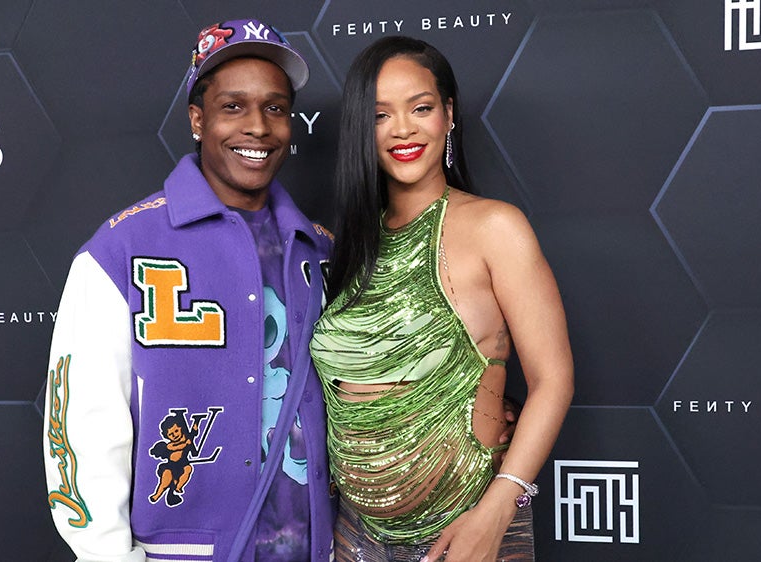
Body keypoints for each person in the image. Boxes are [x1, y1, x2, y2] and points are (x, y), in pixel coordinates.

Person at [43, 19, 337, 562]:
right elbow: (82, 427)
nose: (257, 127)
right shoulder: (121, 249)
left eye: (275, 108)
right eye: (233, 107)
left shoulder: (319, 250)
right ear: (198, 119)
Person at [310, 36, 574, 561]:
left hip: (467, 531)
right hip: (355, 536)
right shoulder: (351, 245)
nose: (403, 129)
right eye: (381, 115)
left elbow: (554, 379)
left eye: (421, 108)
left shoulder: (495, 227)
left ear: (448, 115)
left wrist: (497, 510)